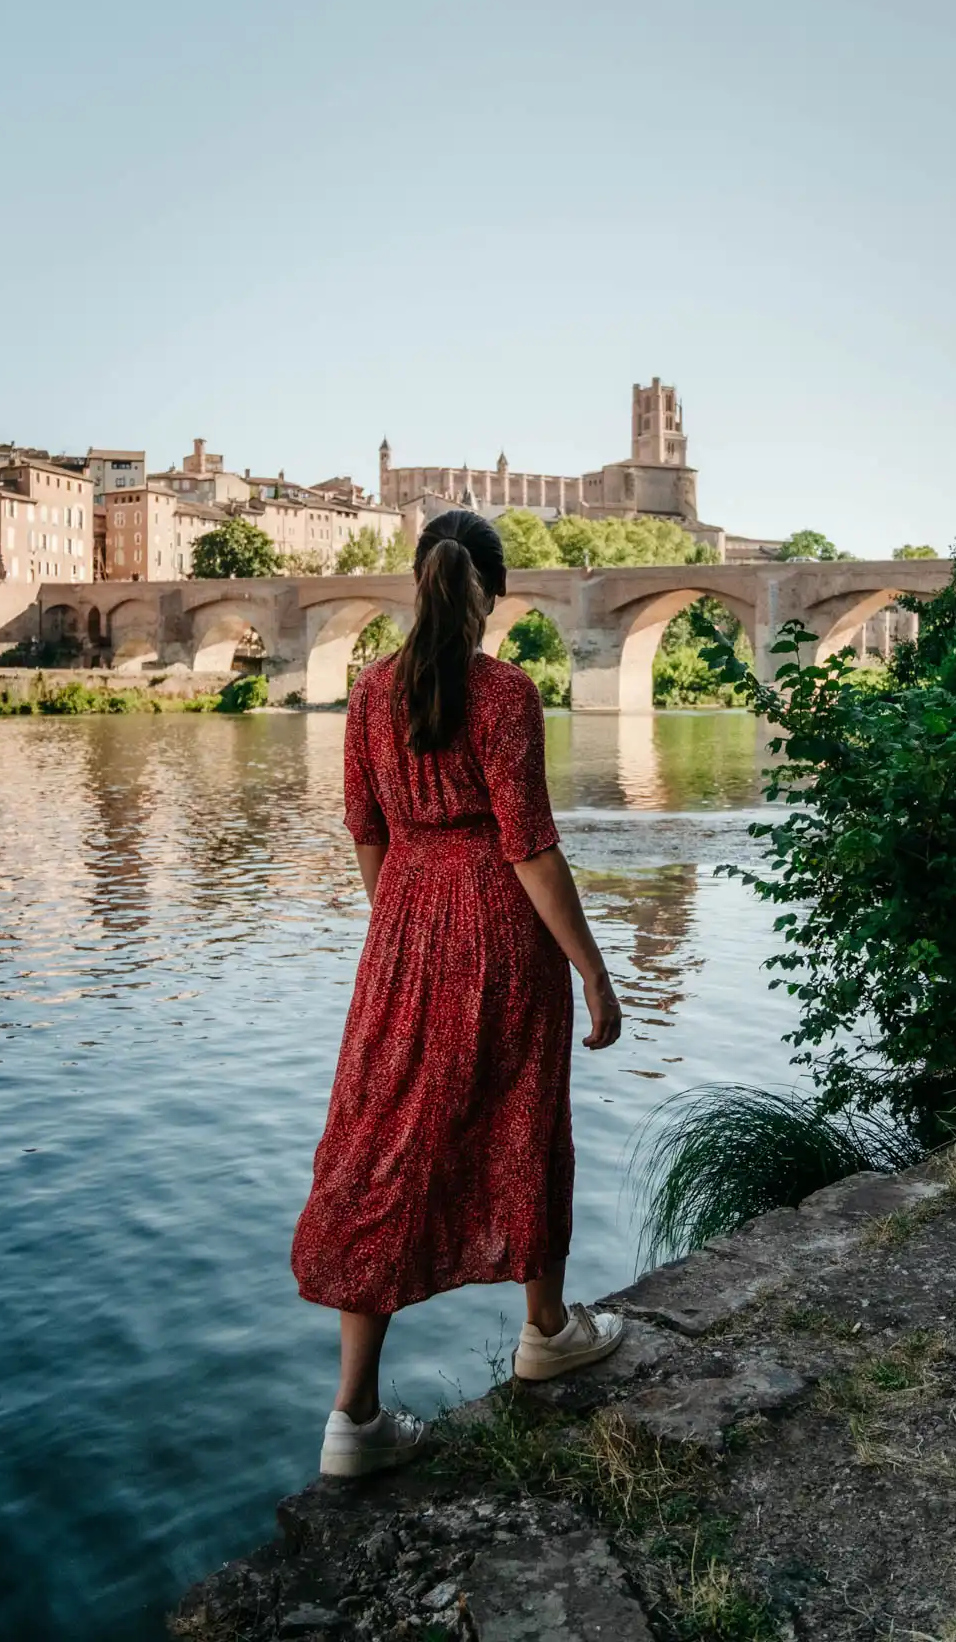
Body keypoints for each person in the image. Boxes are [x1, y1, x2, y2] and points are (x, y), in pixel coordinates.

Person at [292, 509, 626, 1477]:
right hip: (499, 933)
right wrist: (593, 972)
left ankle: (352, 1416)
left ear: (418, 582)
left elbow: (364, 830)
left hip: (400, 932)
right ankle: (545, 1330)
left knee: (383, 1145)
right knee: (524, 1119)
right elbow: (527, 847)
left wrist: (402, 918)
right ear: (490, 593)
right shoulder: (503, 694)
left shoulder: (365, 698)